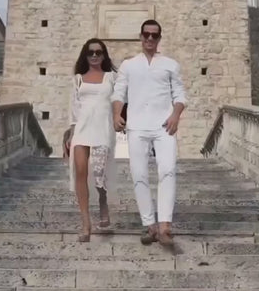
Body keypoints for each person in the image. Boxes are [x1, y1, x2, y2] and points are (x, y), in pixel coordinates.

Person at [112, 20, 186, 246]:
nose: (150, 39)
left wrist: (175, 115)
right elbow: (119, 93)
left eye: (155, 35)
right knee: (139, 174)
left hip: (164, 125)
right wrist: (116, 115)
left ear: (159, 38)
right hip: (137, 125)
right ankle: (149, 225)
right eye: (147, 34)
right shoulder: (128, 65)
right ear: (141, 36)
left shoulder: (171, 65)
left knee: (168, 170)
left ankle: (165, 226)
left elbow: (180, 94)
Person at [66, 38, 118, 242]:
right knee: (80, 171)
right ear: (85, 55)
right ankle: (85, 223)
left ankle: (103, 202)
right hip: (82, 128)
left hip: (103, 128)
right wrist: (71, 132)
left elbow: (119, 101)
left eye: (98, 52)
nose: (94, 55)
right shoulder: (78, 79)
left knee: (99, 172)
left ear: (104, 55)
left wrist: (120, 118)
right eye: (90, 52)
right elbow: (74, 106)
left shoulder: (112, 77)